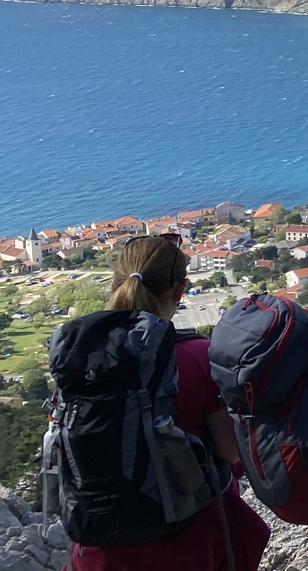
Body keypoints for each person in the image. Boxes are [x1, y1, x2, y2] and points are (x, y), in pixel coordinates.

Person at [67, 234, 271, 571]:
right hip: (185, 537)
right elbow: (231, 451)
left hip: (102, 540)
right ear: (179, 291)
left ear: (115, 283)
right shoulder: (197, 357)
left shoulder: (83, 359)